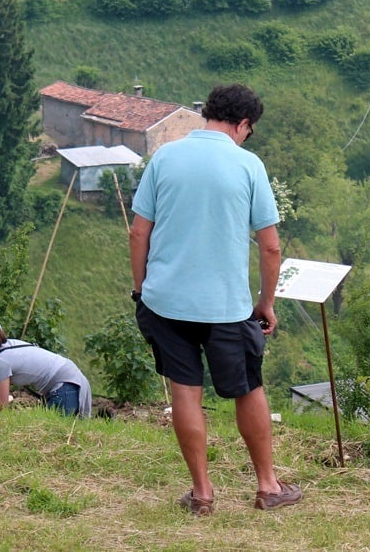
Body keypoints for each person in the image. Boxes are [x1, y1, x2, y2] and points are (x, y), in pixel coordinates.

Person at [129, 83, 302, 516]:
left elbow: (138, 232)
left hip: (166, 302)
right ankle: (267, 486)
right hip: (226, 306)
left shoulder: (165, 156)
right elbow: (270, 247)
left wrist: (141, 291)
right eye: (250, 130)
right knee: (248, 389)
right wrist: (266, 302)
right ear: (243, 124)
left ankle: (202, 494)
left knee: (185, 393)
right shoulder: (248, 166)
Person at [0, 316, 92, 417]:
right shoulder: (11, 345)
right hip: (71, 379)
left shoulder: (2, 361)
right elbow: (2, 375)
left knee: (55, 432)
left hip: (64, 386)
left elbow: (2, 404)